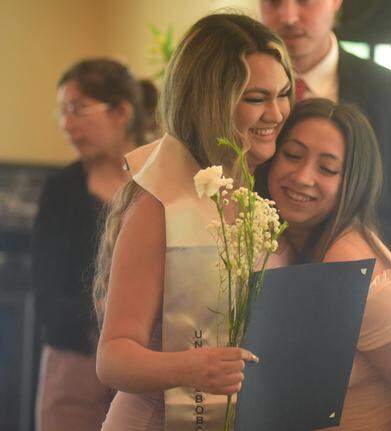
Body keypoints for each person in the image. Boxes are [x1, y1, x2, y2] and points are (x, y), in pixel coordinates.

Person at [92, 13, 294, 430]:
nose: (276, 113)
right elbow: (113, 358)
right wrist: (191, 367)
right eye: (256, 98)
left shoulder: (248, 195)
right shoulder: (159, 205)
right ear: (211, 102)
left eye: (283, 94)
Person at [266, 98, 391, 430]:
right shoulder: (289, 243)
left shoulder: (348, 260)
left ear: (353, 182)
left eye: (328, 168)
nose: (303, 176)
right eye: (292, 155)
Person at [260, 0, 391, 268]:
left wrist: (331, 250)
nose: (288, 16)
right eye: (273, 1)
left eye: (304, 1)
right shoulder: (233, 91)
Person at [31, 58, 145, 431]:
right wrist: (97, 322)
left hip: (144, 361)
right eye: (62, 112)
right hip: (74, 358)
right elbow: (45, 286)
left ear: (121, 112)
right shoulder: (61, 189)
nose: (66, 124)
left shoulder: (156, 182)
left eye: (77, 110)